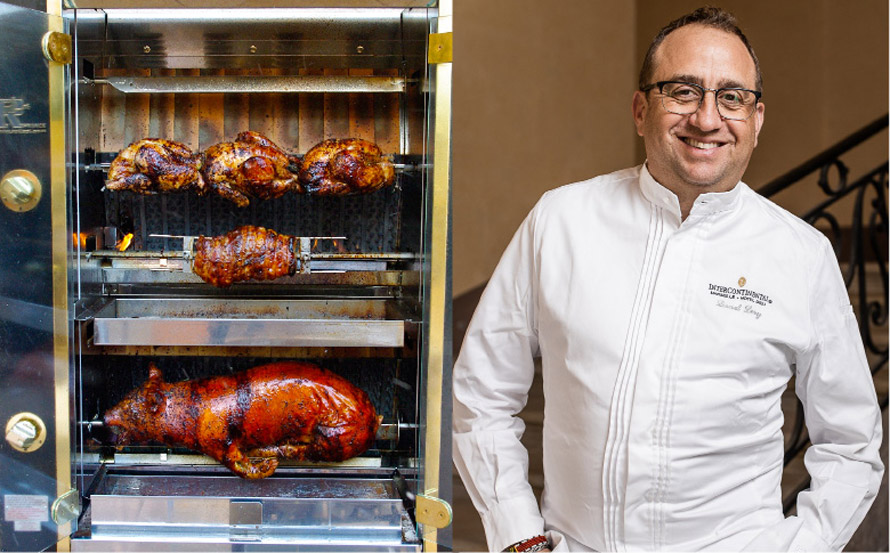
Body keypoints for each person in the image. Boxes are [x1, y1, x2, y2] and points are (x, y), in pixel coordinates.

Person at [452, 6, 883, 552]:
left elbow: (851, 444)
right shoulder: (559, 222)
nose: (707, 118)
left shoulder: (801, 255)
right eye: (682, 91)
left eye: (732, 97)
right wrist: (519, 536)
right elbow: (481, 395)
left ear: (757, 119)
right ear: (640, 110)